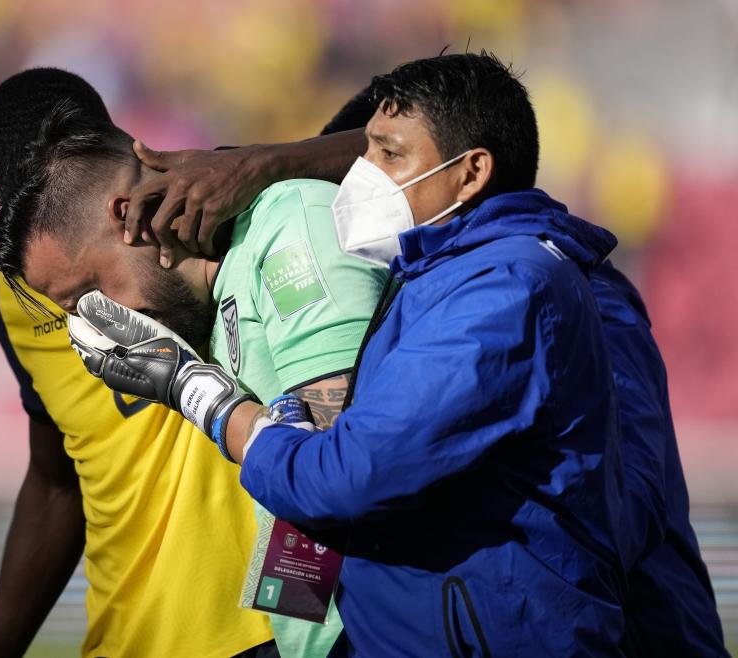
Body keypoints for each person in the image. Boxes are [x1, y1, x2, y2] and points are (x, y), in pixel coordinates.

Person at [123, 60, 727, 658]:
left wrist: (203, 397)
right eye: (362, 158)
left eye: (388, 156)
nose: (362, 181)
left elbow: (624, 508)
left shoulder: (523, 289)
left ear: (470, 174)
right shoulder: (435, 281)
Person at [0, 68, 392, 658]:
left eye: (85, 293)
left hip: (265, 630)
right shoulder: (29, 296)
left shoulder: (228, 200)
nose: (89, 325)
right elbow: (54, 482)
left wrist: (261, 163)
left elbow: (431, 154)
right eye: (68, 304)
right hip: (127, 639)